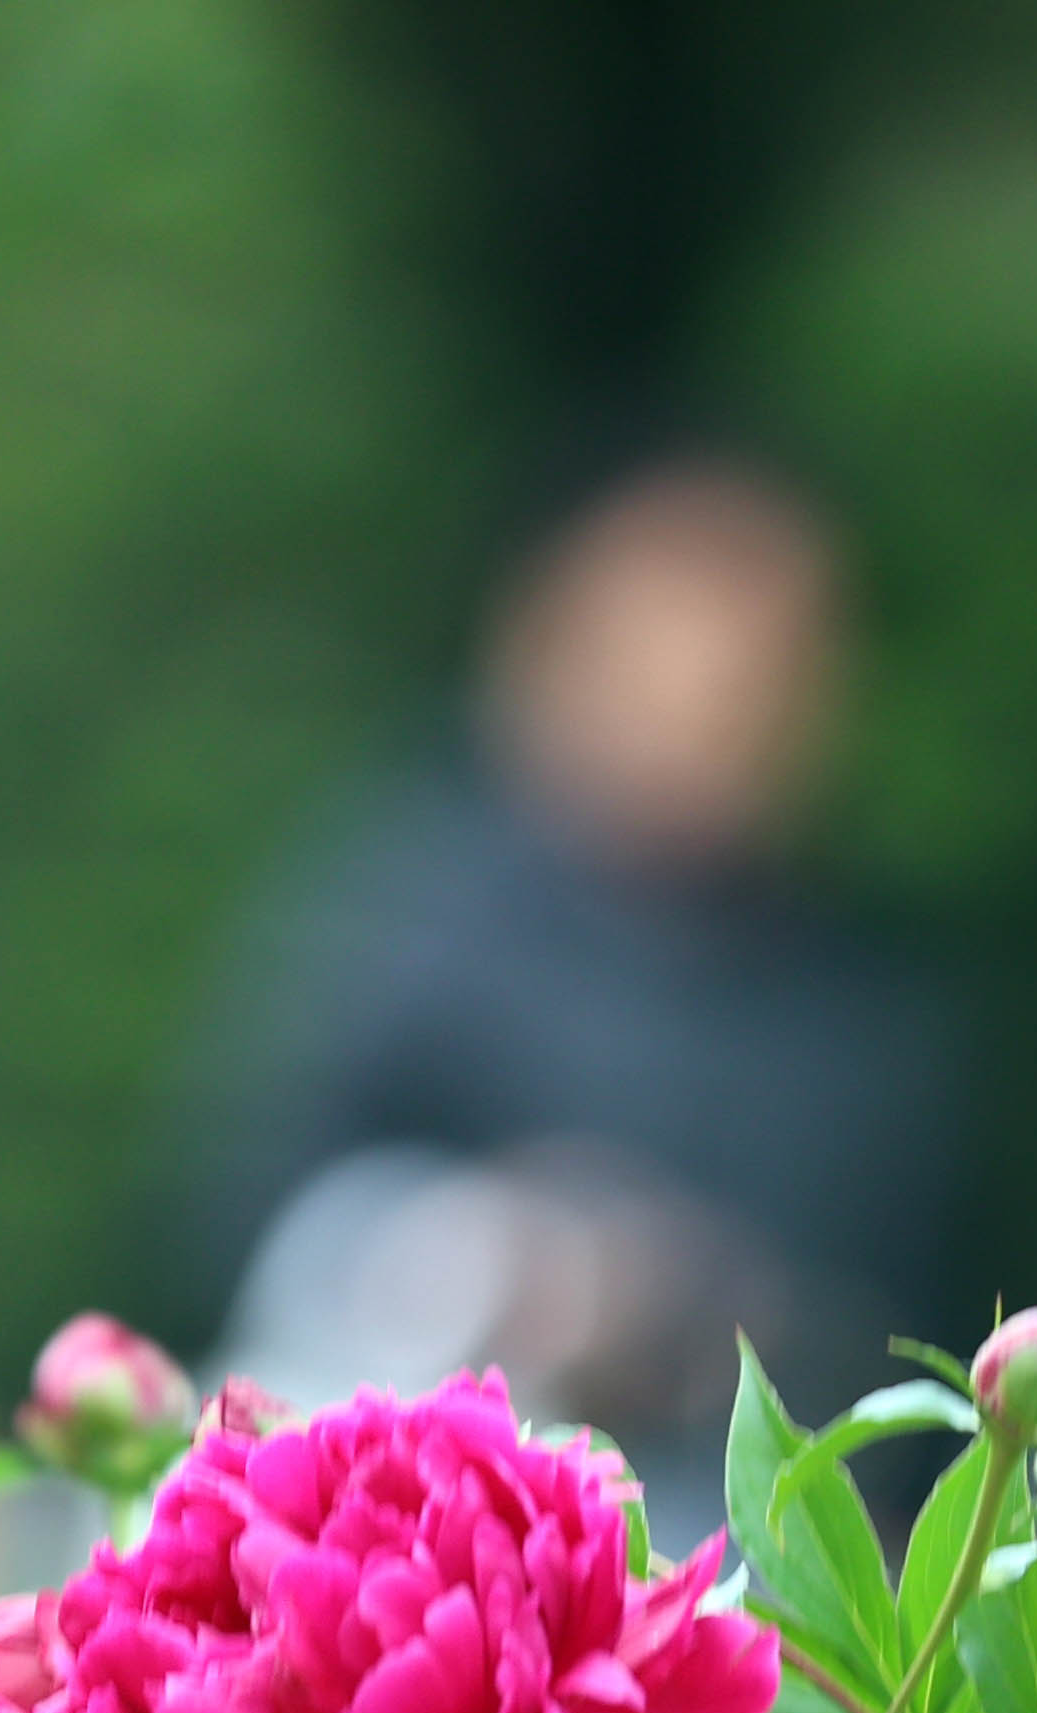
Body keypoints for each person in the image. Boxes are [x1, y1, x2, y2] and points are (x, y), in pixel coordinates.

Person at [190, 449, 965, 1474]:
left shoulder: (868, 1001)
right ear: (549, 650)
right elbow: (236, 1220)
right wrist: (496, 1256)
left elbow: (919, 1335)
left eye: (776, 660)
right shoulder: (403, 911)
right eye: (680, 650)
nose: (728, 705)